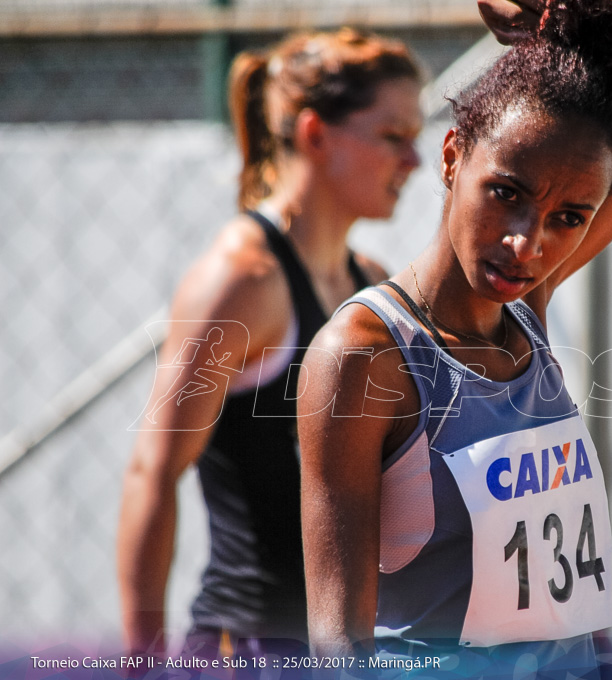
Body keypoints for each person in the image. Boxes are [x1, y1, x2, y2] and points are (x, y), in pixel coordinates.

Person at [297, 0, 612, 672]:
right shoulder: (365, 354)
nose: (527, 242)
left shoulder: (527, 306)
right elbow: (338, 644)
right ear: (452, 154)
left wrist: (572, 12)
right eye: (506, 192)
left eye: (569, 217)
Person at [117, 27, 423, 656]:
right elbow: (153, 470)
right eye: (394, 137)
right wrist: (140, 660)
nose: (414, 162)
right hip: (249, 648)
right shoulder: (241, 282)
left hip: (347, 649)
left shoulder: (372, 281)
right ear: (315, 134)